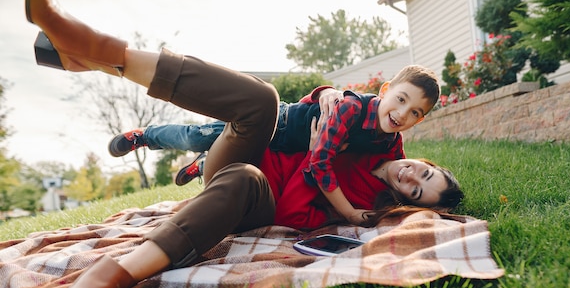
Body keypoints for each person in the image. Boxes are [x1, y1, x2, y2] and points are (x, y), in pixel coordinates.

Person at [17, 0, 463, 288]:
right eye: (425, 173)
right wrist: (329, 93)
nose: (411, 177)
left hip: (256, 192)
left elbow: (297, 202)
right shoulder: (386, 136)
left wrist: (330, 192)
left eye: (418, 192)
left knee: (245, 177)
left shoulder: (368, 204)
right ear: (426, 160)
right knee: (264, 100)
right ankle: (100, 50)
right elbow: (349, 102)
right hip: (242, 146)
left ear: (409, 203)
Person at [109, 65, 441, 223]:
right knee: (196, 135)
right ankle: (145, 136)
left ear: (420, 120)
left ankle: (203, 165)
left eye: (414, 112)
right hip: (274, 123)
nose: (401, 114)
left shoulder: (390, 144)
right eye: (399, 100)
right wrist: (350, 213)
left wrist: (432, 207)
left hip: (271, 153)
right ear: (384, 92)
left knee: (218, 151)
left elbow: (402, 169)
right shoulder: (352, 109)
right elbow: (320, 164)